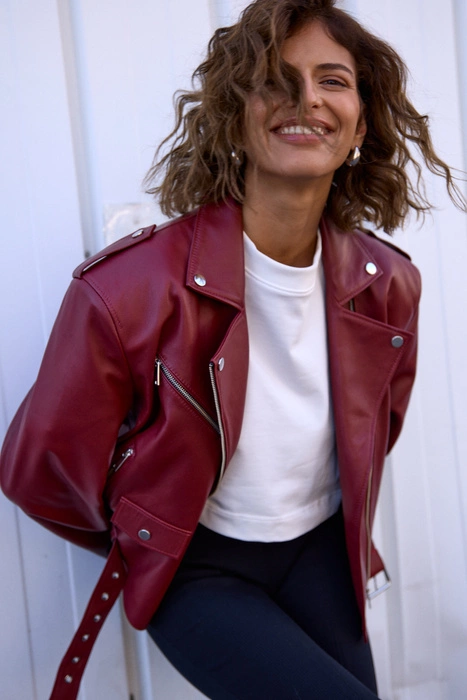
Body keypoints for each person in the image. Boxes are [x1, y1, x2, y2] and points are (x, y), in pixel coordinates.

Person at [0, 1, 464, 698]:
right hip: (198, 569)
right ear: (234, 115)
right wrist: (150, 532)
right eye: (275, 80)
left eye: (332, 80)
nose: (306, 99)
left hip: (320, 553)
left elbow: (378, 427)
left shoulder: (388, 285)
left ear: (361, 124)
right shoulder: (128, 290)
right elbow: (39, 473)